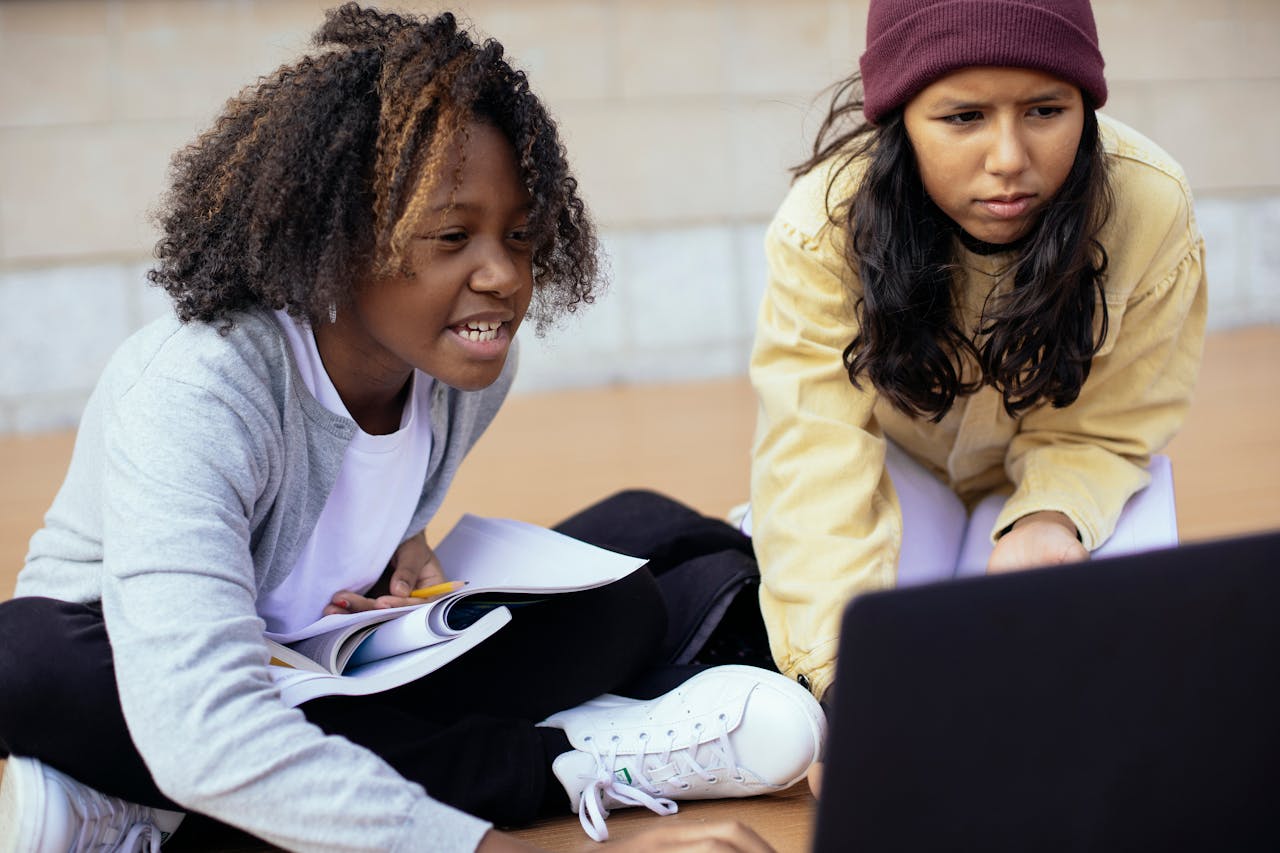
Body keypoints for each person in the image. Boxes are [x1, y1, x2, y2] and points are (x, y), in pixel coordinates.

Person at [0, 6, 824, 852]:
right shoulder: (200, 385)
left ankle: (169, 816)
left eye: (519, 235)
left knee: (632, 582)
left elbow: (353, 483)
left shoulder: (462, 374)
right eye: (452, 236)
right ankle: (563, 761)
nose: (502, 276)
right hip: (142, 673)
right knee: (24, 661)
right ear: (336, 240)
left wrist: (405, 541)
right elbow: (202, 717)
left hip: (322, 669)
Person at [750, 0, 1206, 724]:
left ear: (1085, 102)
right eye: (963, 117)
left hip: (1063, 475)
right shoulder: (822, 226)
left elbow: (1120, 418)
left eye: (1046, 110)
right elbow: (815, 451)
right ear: (899, 113)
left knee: (1101, 699)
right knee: (896, 669)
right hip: (895, 475)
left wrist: (1050, 517)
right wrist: (846, 684)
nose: (1008, 160)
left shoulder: (1151, 205)